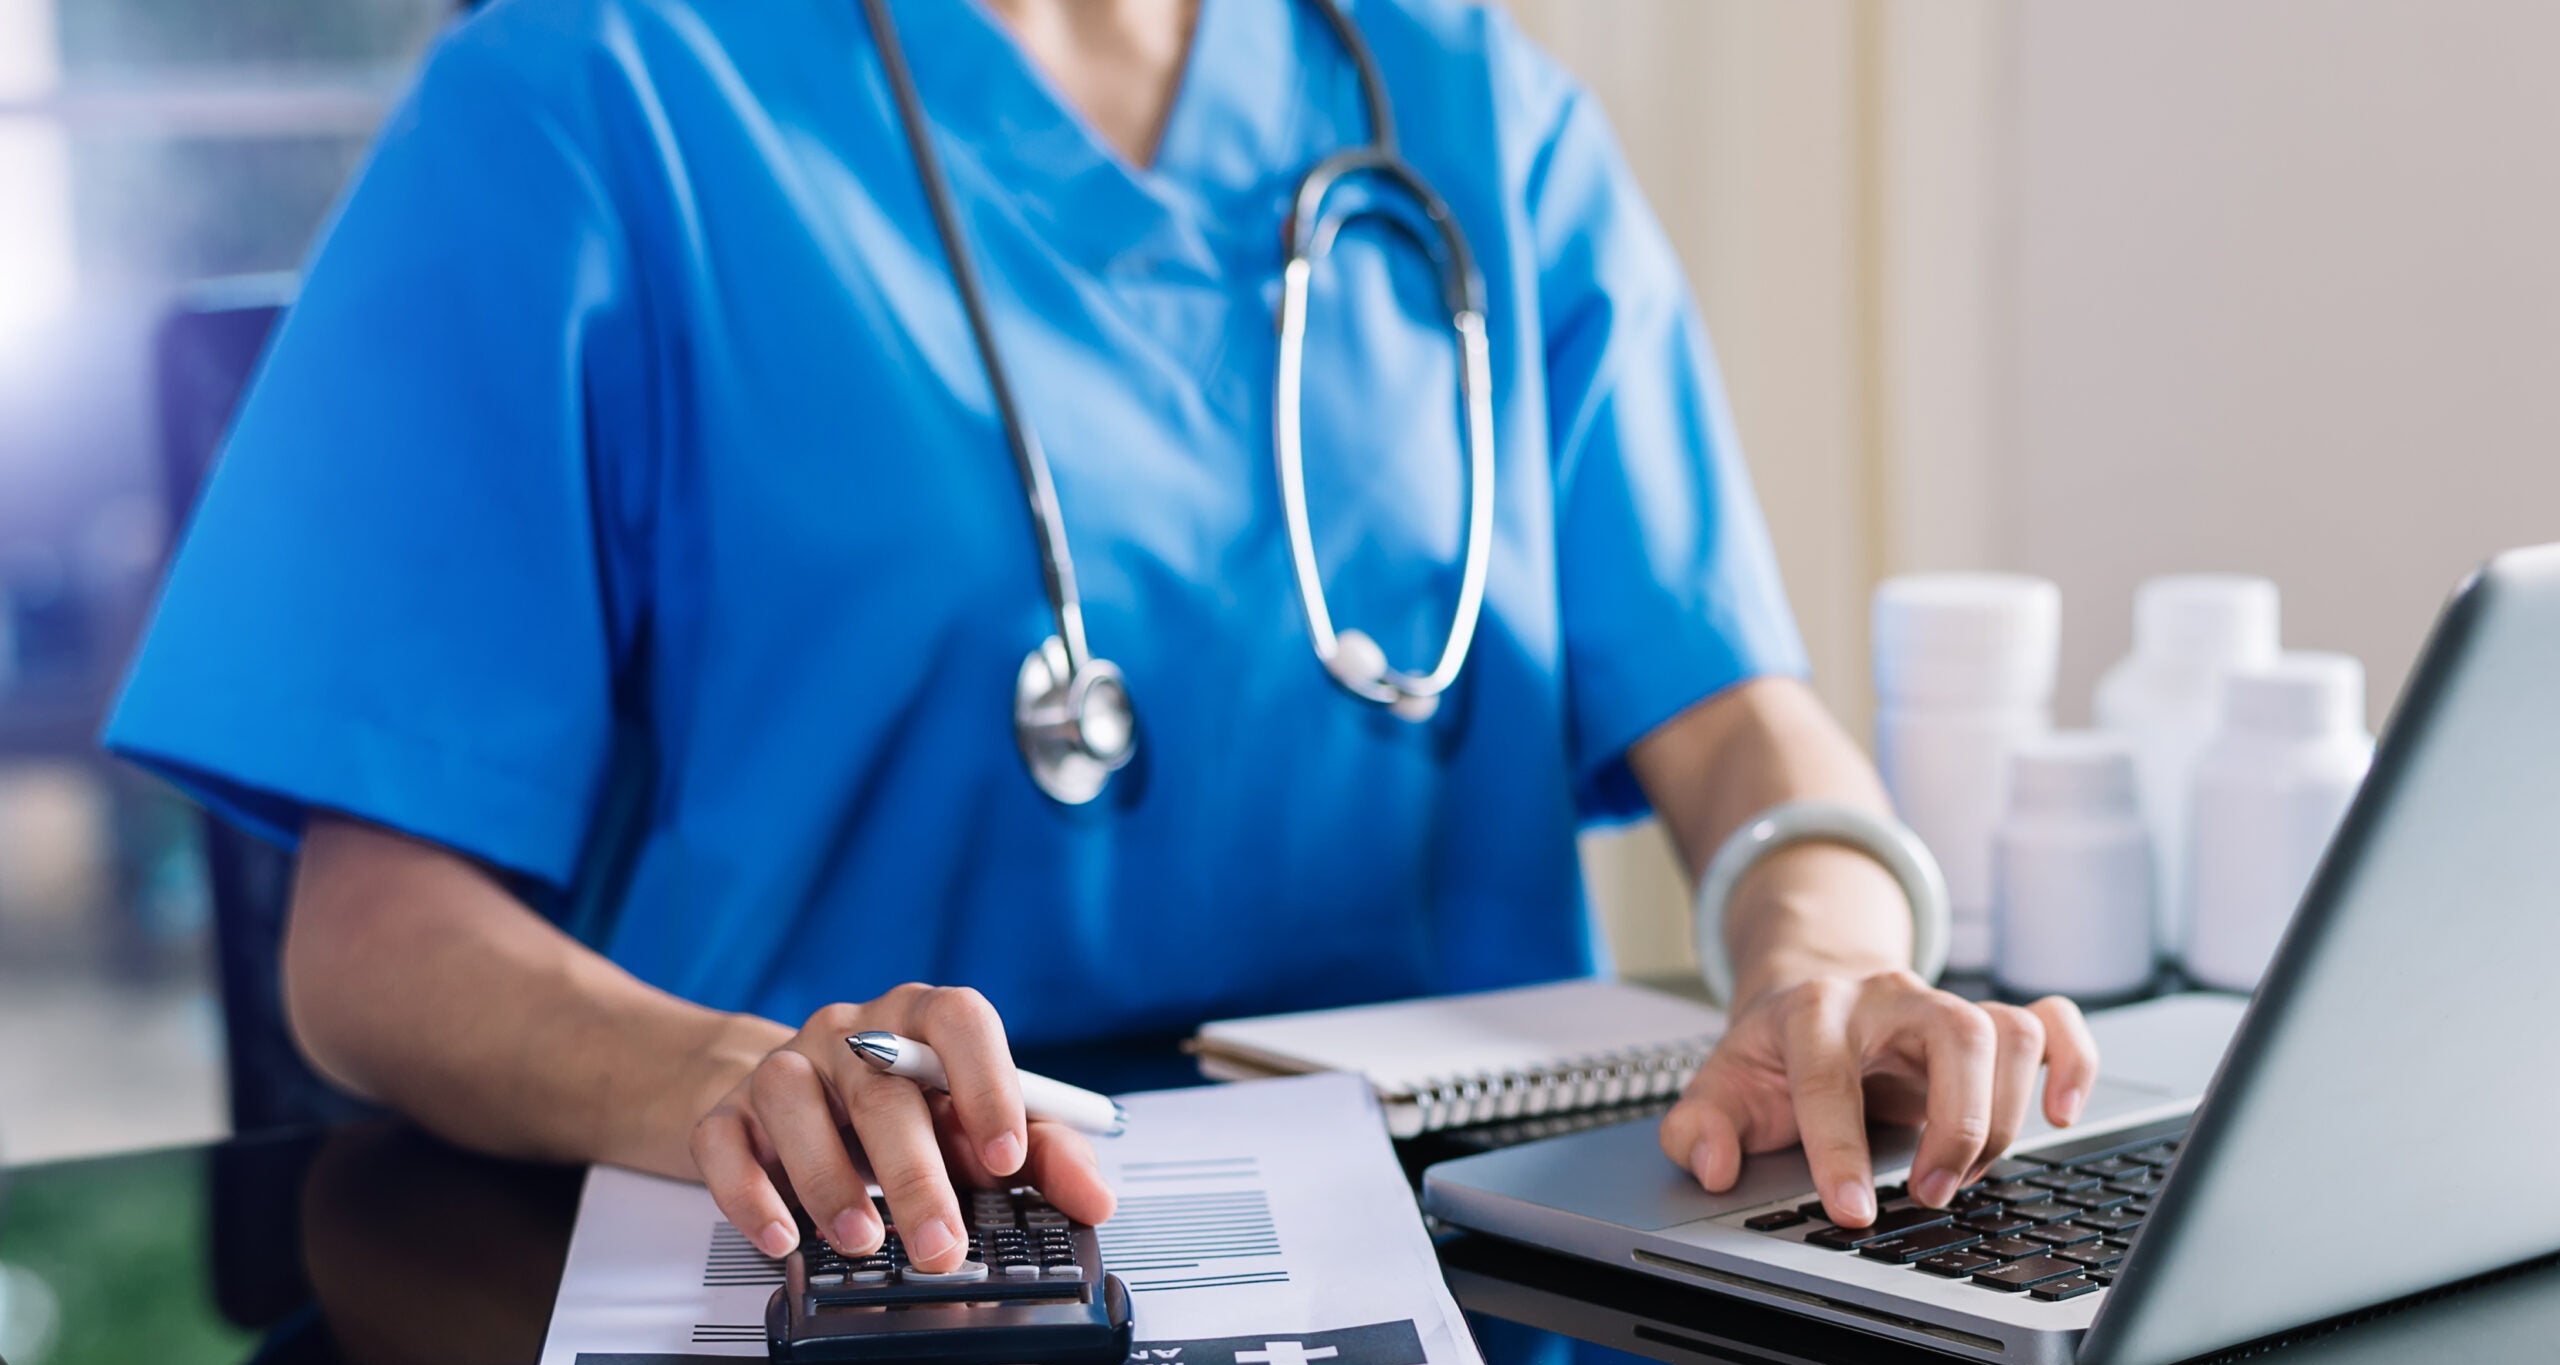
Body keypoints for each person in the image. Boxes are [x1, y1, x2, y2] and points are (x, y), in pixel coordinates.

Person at [110, 0, 2096, 1276]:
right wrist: (729, 1078)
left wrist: (1827, 969)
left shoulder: (1474, 110)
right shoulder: (584, 99)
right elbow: (367, 944)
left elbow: (1739, 719)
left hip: (1480, 1335)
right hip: (870, 1284)